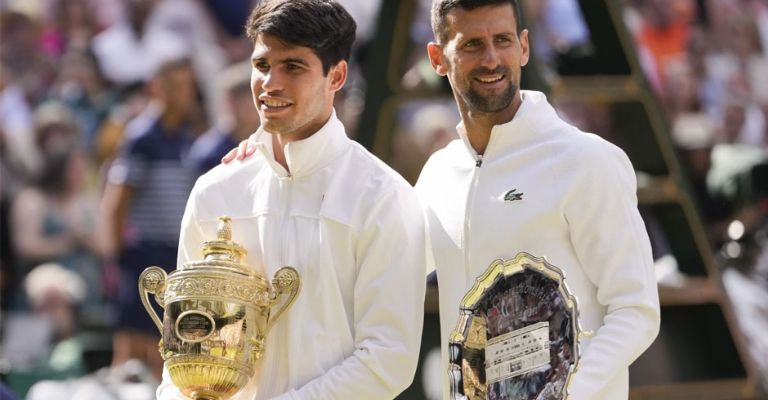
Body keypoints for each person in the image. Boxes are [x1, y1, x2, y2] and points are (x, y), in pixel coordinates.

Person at [158, 0, 426, 399]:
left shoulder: (382, 196)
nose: (270, 83)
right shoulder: (216, 191)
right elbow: (182, 355)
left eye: (293, 67)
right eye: (262, 65)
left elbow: (388, 359)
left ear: (336, 76)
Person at [417, 1, 660, 399]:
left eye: (503, 40)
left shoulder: (587, 160)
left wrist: (558, 394)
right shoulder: (437, 175)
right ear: (437, 58)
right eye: (472, 44)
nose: (492, 59)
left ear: (524, 47)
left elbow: (637, 311)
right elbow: (385, 276)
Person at [101, 57, 200, 379]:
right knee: (134, 355)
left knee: (168, 352)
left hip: (175, 258)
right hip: (144, 259)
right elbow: (117, 202)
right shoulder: (141, 136)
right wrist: (119, 259)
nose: (182, 94)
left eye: (186, 86)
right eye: (174, 86)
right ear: (155, 88)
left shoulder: (186, 137)